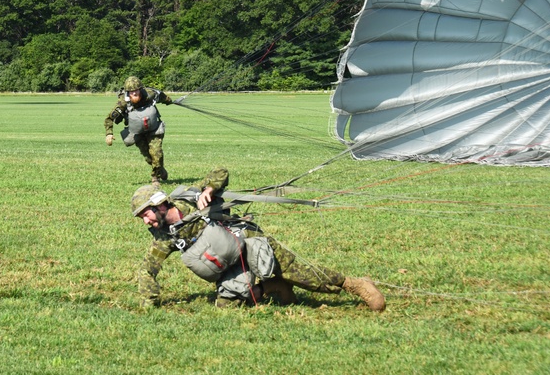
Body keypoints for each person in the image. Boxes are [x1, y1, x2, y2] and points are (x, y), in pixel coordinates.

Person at [130, 168, 386, 311]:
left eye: (146, 213)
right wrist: (148, 303)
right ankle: (275, 287)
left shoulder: (189, 198)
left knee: (302, 274)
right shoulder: (165, 238)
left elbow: (221, 172)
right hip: (229, 262)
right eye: (141, 217)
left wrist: (208, 189)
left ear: (160, 204)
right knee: (226, 305)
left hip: (249, 240)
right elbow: (147, 270)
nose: (146, 221)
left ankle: (353, 284)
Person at [105, 76, 173, 184]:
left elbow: (162, 96)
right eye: (131, 92)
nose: (134, 93)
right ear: (127, 92)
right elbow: (109, 118)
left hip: (153, 129)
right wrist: (109, 134)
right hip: (137, 131)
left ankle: (155, 178)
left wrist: (169, 101)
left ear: (140, 89)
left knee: (157, 153)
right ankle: (160, 169)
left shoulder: (149, 94)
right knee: (148, 158)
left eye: (136, 90)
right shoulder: (123, 102)